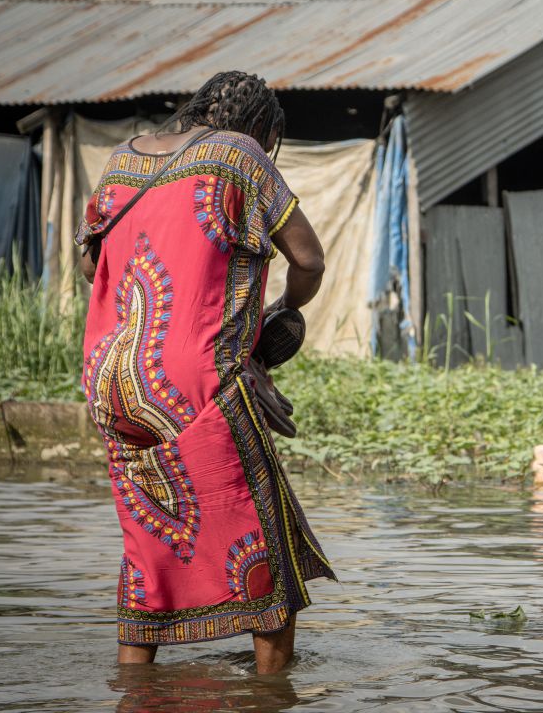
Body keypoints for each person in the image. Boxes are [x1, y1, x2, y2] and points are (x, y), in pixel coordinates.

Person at [75, 71, 335, 673]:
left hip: (112, 383)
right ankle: (271, 696)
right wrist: (283, 311)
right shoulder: (239, 155)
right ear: (259, 129)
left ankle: (135, 691)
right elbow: (310, 259)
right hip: (194, 381)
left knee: (147, 553)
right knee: (271, 562)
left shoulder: (122, 161)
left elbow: (91, 265)